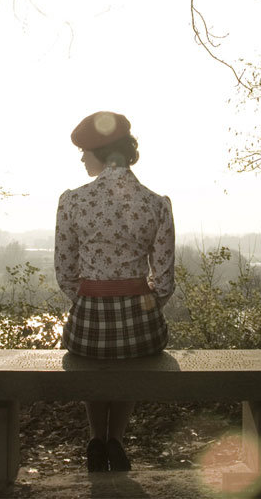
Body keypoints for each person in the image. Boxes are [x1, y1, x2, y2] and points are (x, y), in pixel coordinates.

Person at [54, 111, 175, 473]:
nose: (81, 158)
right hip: (141, 326)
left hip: (88, 326)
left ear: (101, 153)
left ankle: (96, 438)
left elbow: (64, 271)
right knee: (129, 354)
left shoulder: (73, 201)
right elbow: (165, 279)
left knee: (95, 355)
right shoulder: (156, 203)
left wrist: (89, 300)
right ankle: (116, 440)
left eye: (84, 151)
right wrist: (144, 304)